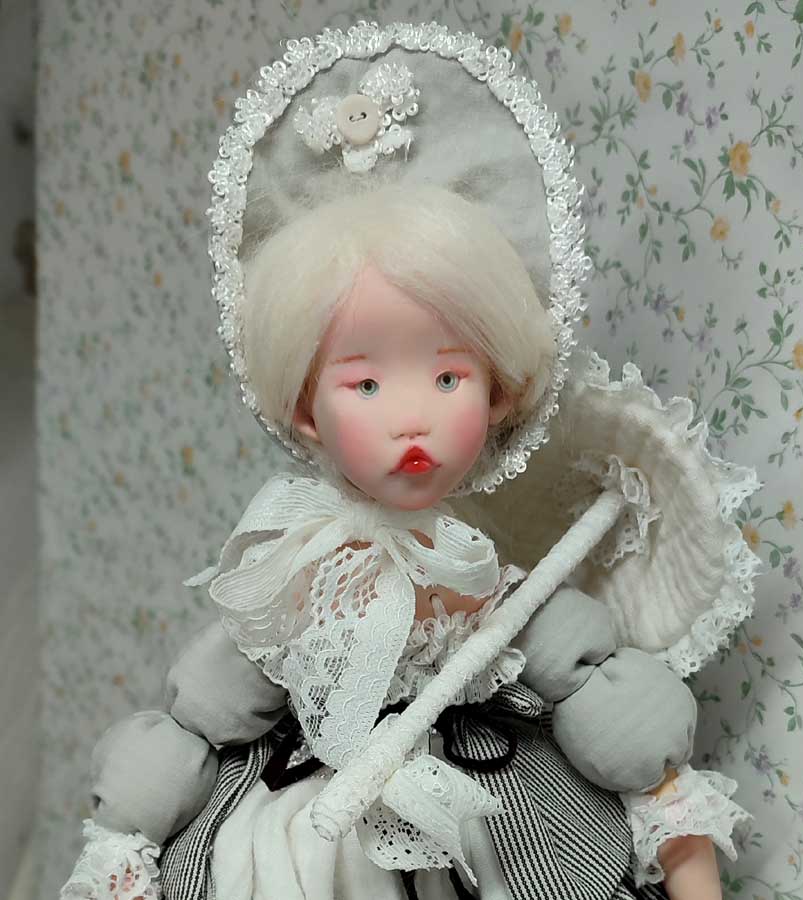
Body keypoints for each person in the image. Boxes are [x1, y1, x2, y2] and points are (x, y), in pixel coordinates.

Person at [60, 22, 756, 900]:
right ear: (304, 412)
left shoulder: (485, 575)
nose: (412, 416)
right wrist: (120, 845)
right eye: (365, 383)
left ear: (499, 392)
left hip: (488, 805)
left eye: (448, 375)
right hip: (317, 828)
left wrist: (677, 829)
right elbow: (202, 713)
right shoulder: (297, 574)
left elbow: (612, 716)